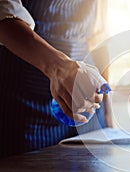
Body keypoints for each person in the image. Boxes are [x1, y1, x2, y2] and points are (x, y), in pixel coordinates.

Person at [0, 0, 108, 158]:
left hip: (89, 105)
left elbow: (100, 36)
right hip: (25, 103)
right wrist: (59, 68)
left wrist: (107, 111)